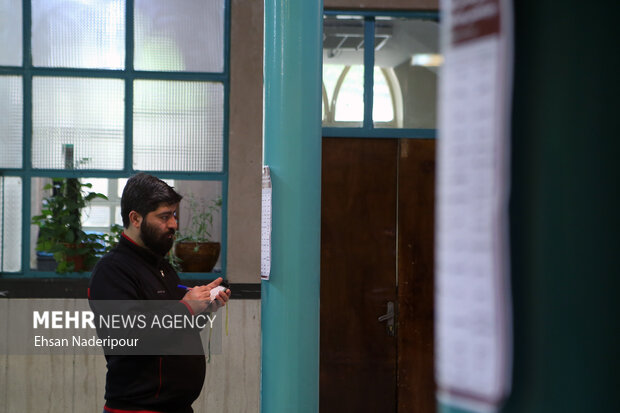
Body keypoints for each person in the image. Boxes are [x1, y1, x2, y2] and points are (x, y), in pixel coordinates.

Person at [89, 173, 231, 413]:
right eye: (164, 217)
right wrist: (186, 307)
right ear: (135, 218)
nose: (174, 224)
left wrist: (203, 309)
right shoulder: (112, 270)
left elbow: (173, 330)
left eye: (174, 215)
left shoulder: (161, 267)